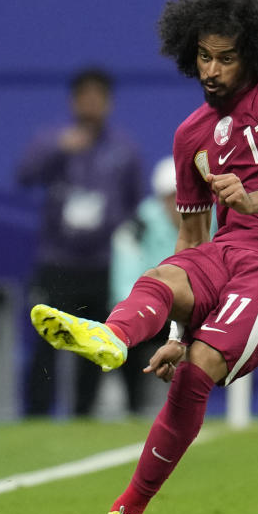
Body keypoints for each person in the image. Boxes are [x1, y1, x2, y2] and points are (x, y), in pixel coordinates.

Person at [29, 0, 258, 514]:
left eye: (225, 57)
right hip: (229, 251)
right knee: (164, 276)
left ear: (253, 53)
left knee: (201, 370)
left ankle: (126, 513)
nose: (212, 70)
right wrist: (176, 330)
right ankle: (115, 336)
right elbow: (192, 239)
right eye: (203, 57)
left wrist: (251, 200)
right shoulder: (190, 135)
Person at [17, 68, 143, 417]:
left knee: (93, 341)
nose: (90, 104)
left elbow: (135, 202)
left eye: (97, 97)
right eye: (84, 97)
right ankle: (36, 415)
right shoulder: (54, 140)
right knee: (46, 341)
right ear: (74, 101)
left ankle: (83, 414)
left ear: (108, 102)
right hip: (58, 259)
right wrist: (59, 150)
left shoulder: (123, 149)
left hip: (102, 263)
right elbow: (25, 175)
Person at [108, 156, 181, 416]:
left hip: (190, 311)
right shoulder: (138, 226)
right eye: (172, 196)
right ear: (161, 199)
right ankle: (132, 408)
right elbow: (124, 284)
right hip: (151, 311)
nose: (179, 203)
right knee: (125, 333)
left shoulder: (214, 220)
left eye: (186, 194)